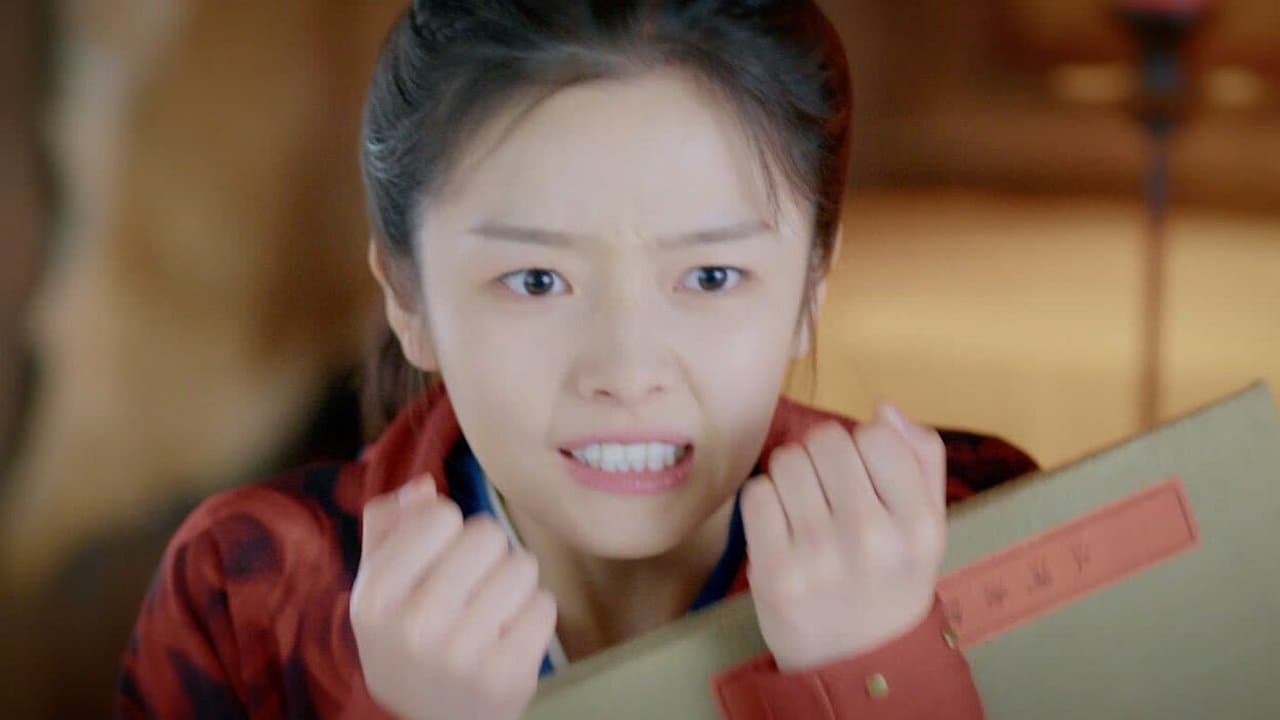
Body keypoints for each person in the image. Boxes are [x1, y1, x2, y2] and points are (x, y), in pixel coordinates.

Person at [116, 1, 1037, 717]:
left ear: (810, 286)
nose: (626, 373)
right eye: (536, 281)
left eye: (711, 276)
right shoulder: (246, 592)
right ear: (406, 296)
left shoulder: (983, 524)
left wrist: (882, 677)